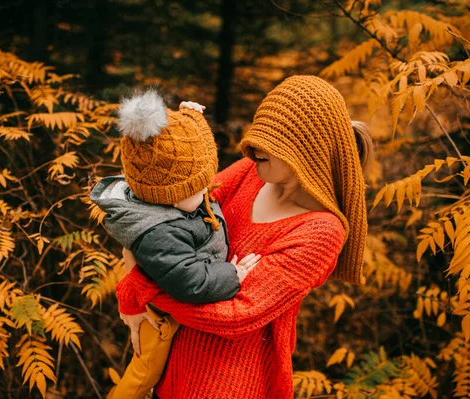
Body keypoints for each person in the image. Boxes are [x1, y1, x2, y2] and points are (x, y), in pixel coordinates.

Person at [116, 75, 373, 399]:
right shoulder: (251, 173)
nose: (252, 147)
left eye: (269, 140)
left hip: (225, 384)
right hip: (168, 368)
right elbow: (167, 219)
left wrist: (140, 287)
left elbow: (235, 317)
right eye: (257, 132)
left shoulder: (319, 232)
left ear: (307, 150)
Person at [89, 89, 261, 399]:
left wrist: (189, 119)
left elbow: (175, 153)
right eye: (196, 187)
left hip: (169, 306)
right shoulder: (160, 231)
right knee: (143, 376)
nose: (206, 191)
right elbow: (189, 283)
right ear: (167, 195)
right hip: (159, 320)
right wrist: (231, 276)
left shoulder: (172, 202)